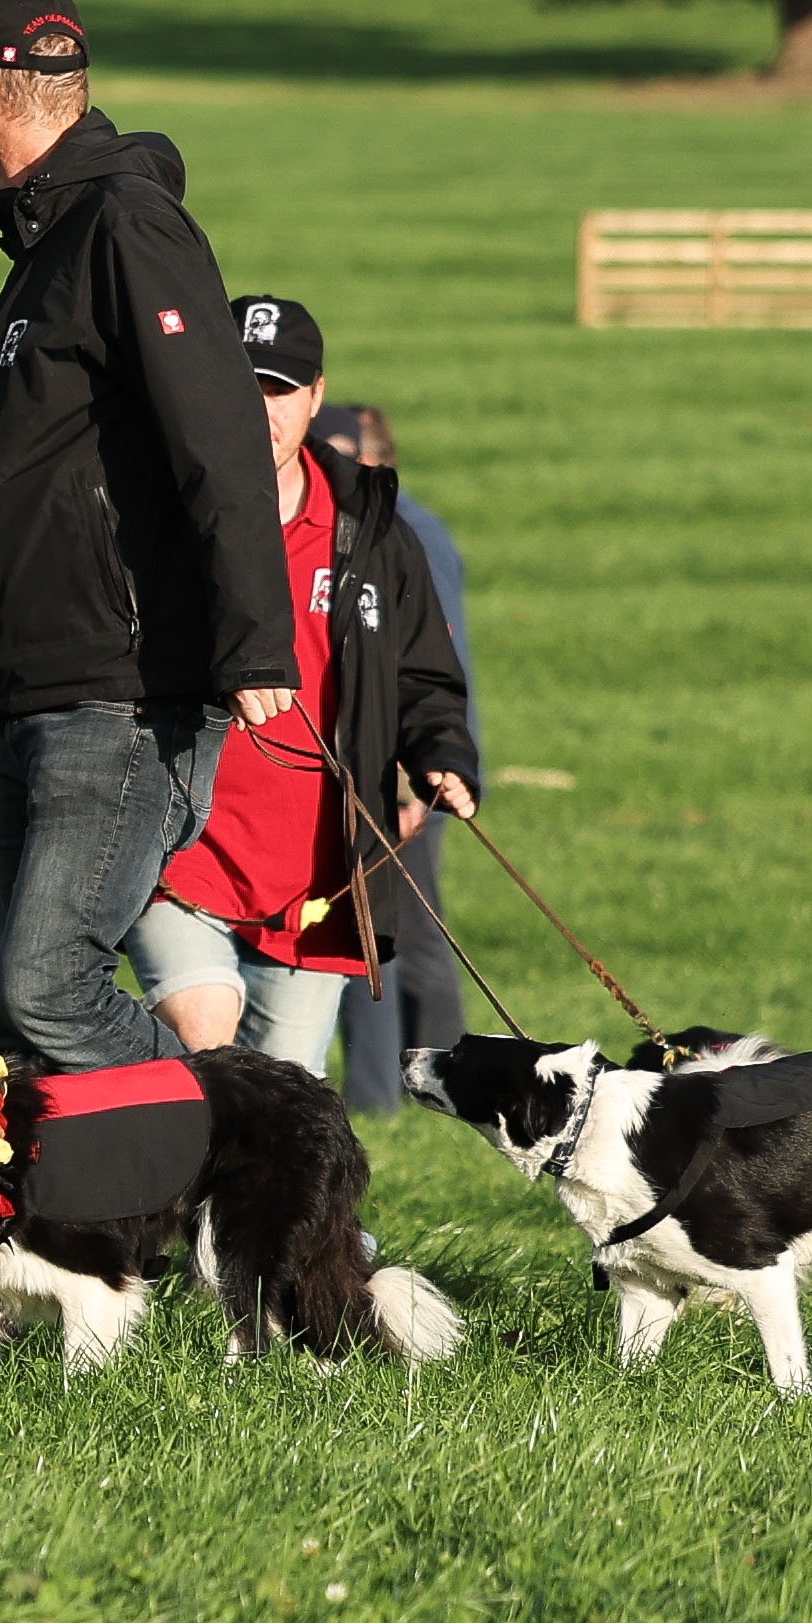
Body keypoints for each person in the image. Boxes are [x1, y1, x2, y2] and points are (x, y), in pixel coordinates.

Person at [0, 0, 293, 1071]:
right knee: (26, 1018)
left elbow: (222, 434)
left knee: (49, 993)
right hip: (46, 689)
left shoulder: (123, 226)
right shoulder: (47, 253)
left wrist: (252, 638)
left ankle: (254, 1163)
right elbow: (10, 511)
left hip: (123, 690)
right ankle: (110, 1242)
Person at [124, 300, 480, 1066]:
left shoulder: (371, 529)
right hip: (176, 852)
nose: (258, 412)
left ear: (315, 397)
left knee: (283, 1103)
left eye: (277, 390)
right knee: (208, 1045)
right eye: (237, 385)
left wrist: (439, 757)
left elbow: (424, 672)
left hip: (316, 874)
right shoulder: (150, 517)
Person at [321, 400, 476, 1106]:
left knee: (386, 941)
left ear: (375, 460)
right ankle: (421, 1094)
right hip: (398, 765)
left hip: (405, 768)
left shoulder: (403, 535)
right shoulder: (393, 526)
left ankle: (388, 1099)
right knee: (405, 940)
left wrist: (411, 780)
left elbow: (426, 664)